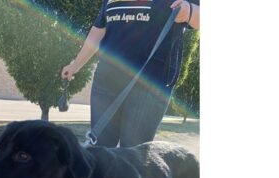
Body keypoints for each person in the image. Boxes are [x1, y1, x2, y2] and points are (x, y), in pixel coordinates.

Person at [61, 0, 200, 148]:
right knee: (99, 151)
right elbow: (98, 30)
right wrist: (76, 64)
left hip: (149, 86)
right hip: (105, 82)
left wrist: (190, 10)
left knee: (134, 154)